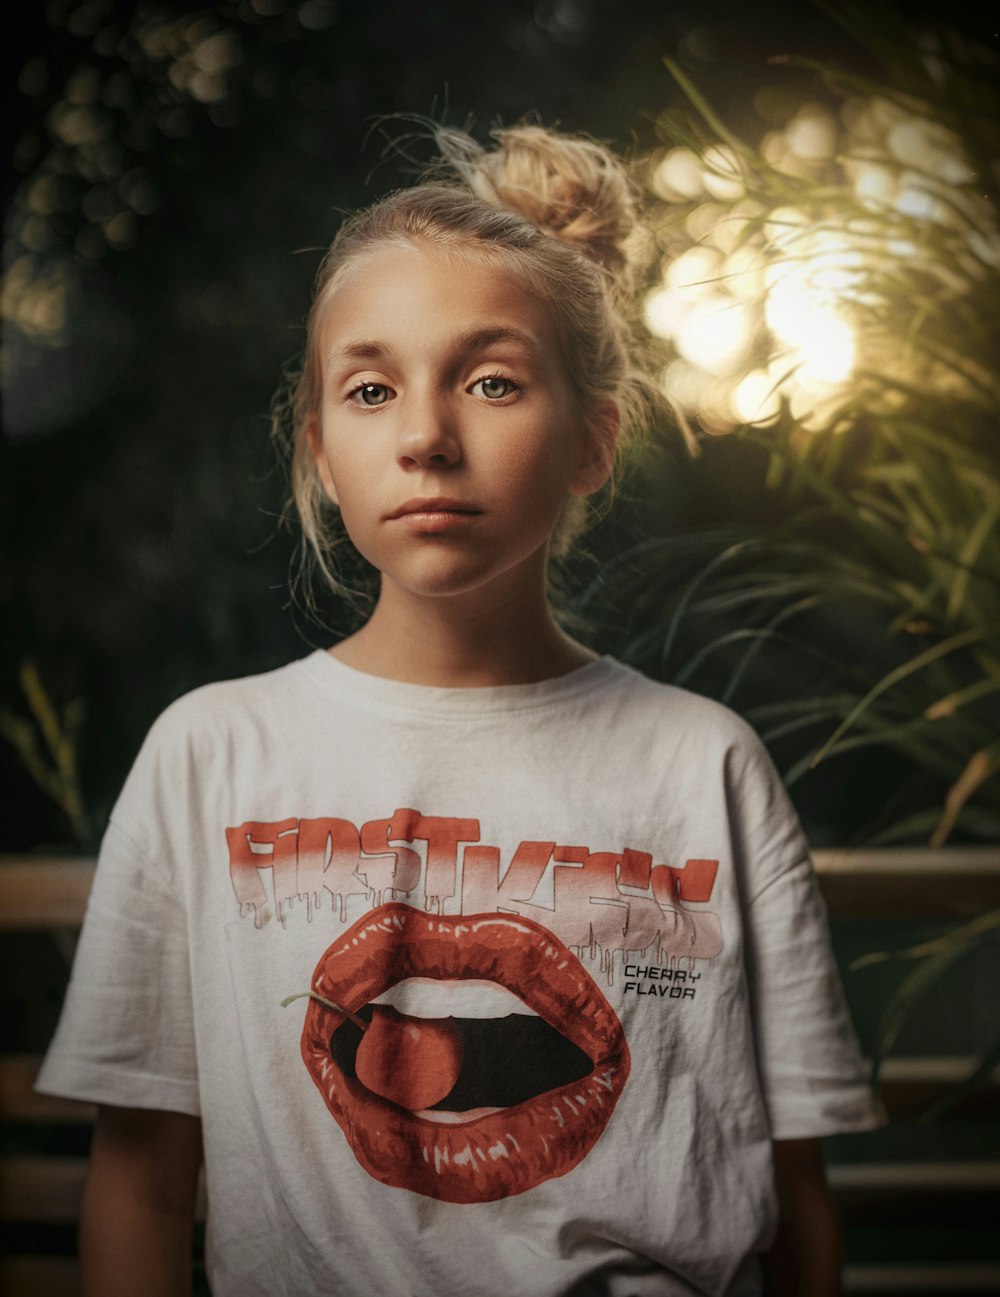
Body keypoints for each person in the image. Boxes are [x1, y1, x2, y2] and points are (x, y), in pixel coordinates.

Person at [37, 122, 881, 1297]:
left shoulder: (704, 766)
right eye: (372, 389)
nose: (428, 438)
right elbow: (140, 1180)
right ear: (323, 452)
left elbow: (789, 1193)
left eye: (490, 381)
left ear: (594, 435)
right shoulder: (211, 755)